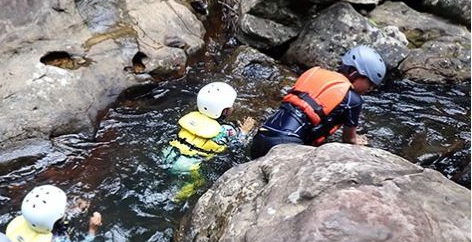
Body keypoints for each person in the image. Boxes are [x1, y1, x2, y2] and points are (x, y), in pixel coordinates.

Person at [250, 45, 386, 159]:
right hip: (287, 147)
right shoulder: (352, 99)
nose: (370, 89)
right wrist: (359, 143)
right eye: (370, 83)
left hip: (260, 139)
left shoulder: (314, 73)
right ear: (354, 73)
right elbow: (349, 141)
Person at [162, 81, 255, 175]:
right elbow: (238, 145)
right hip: (189, 168)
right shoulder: (226, 130)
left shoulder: (191, 118)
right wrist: (244, 131)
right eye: (231, 106)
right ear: (225, 111)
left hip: (168, 155)